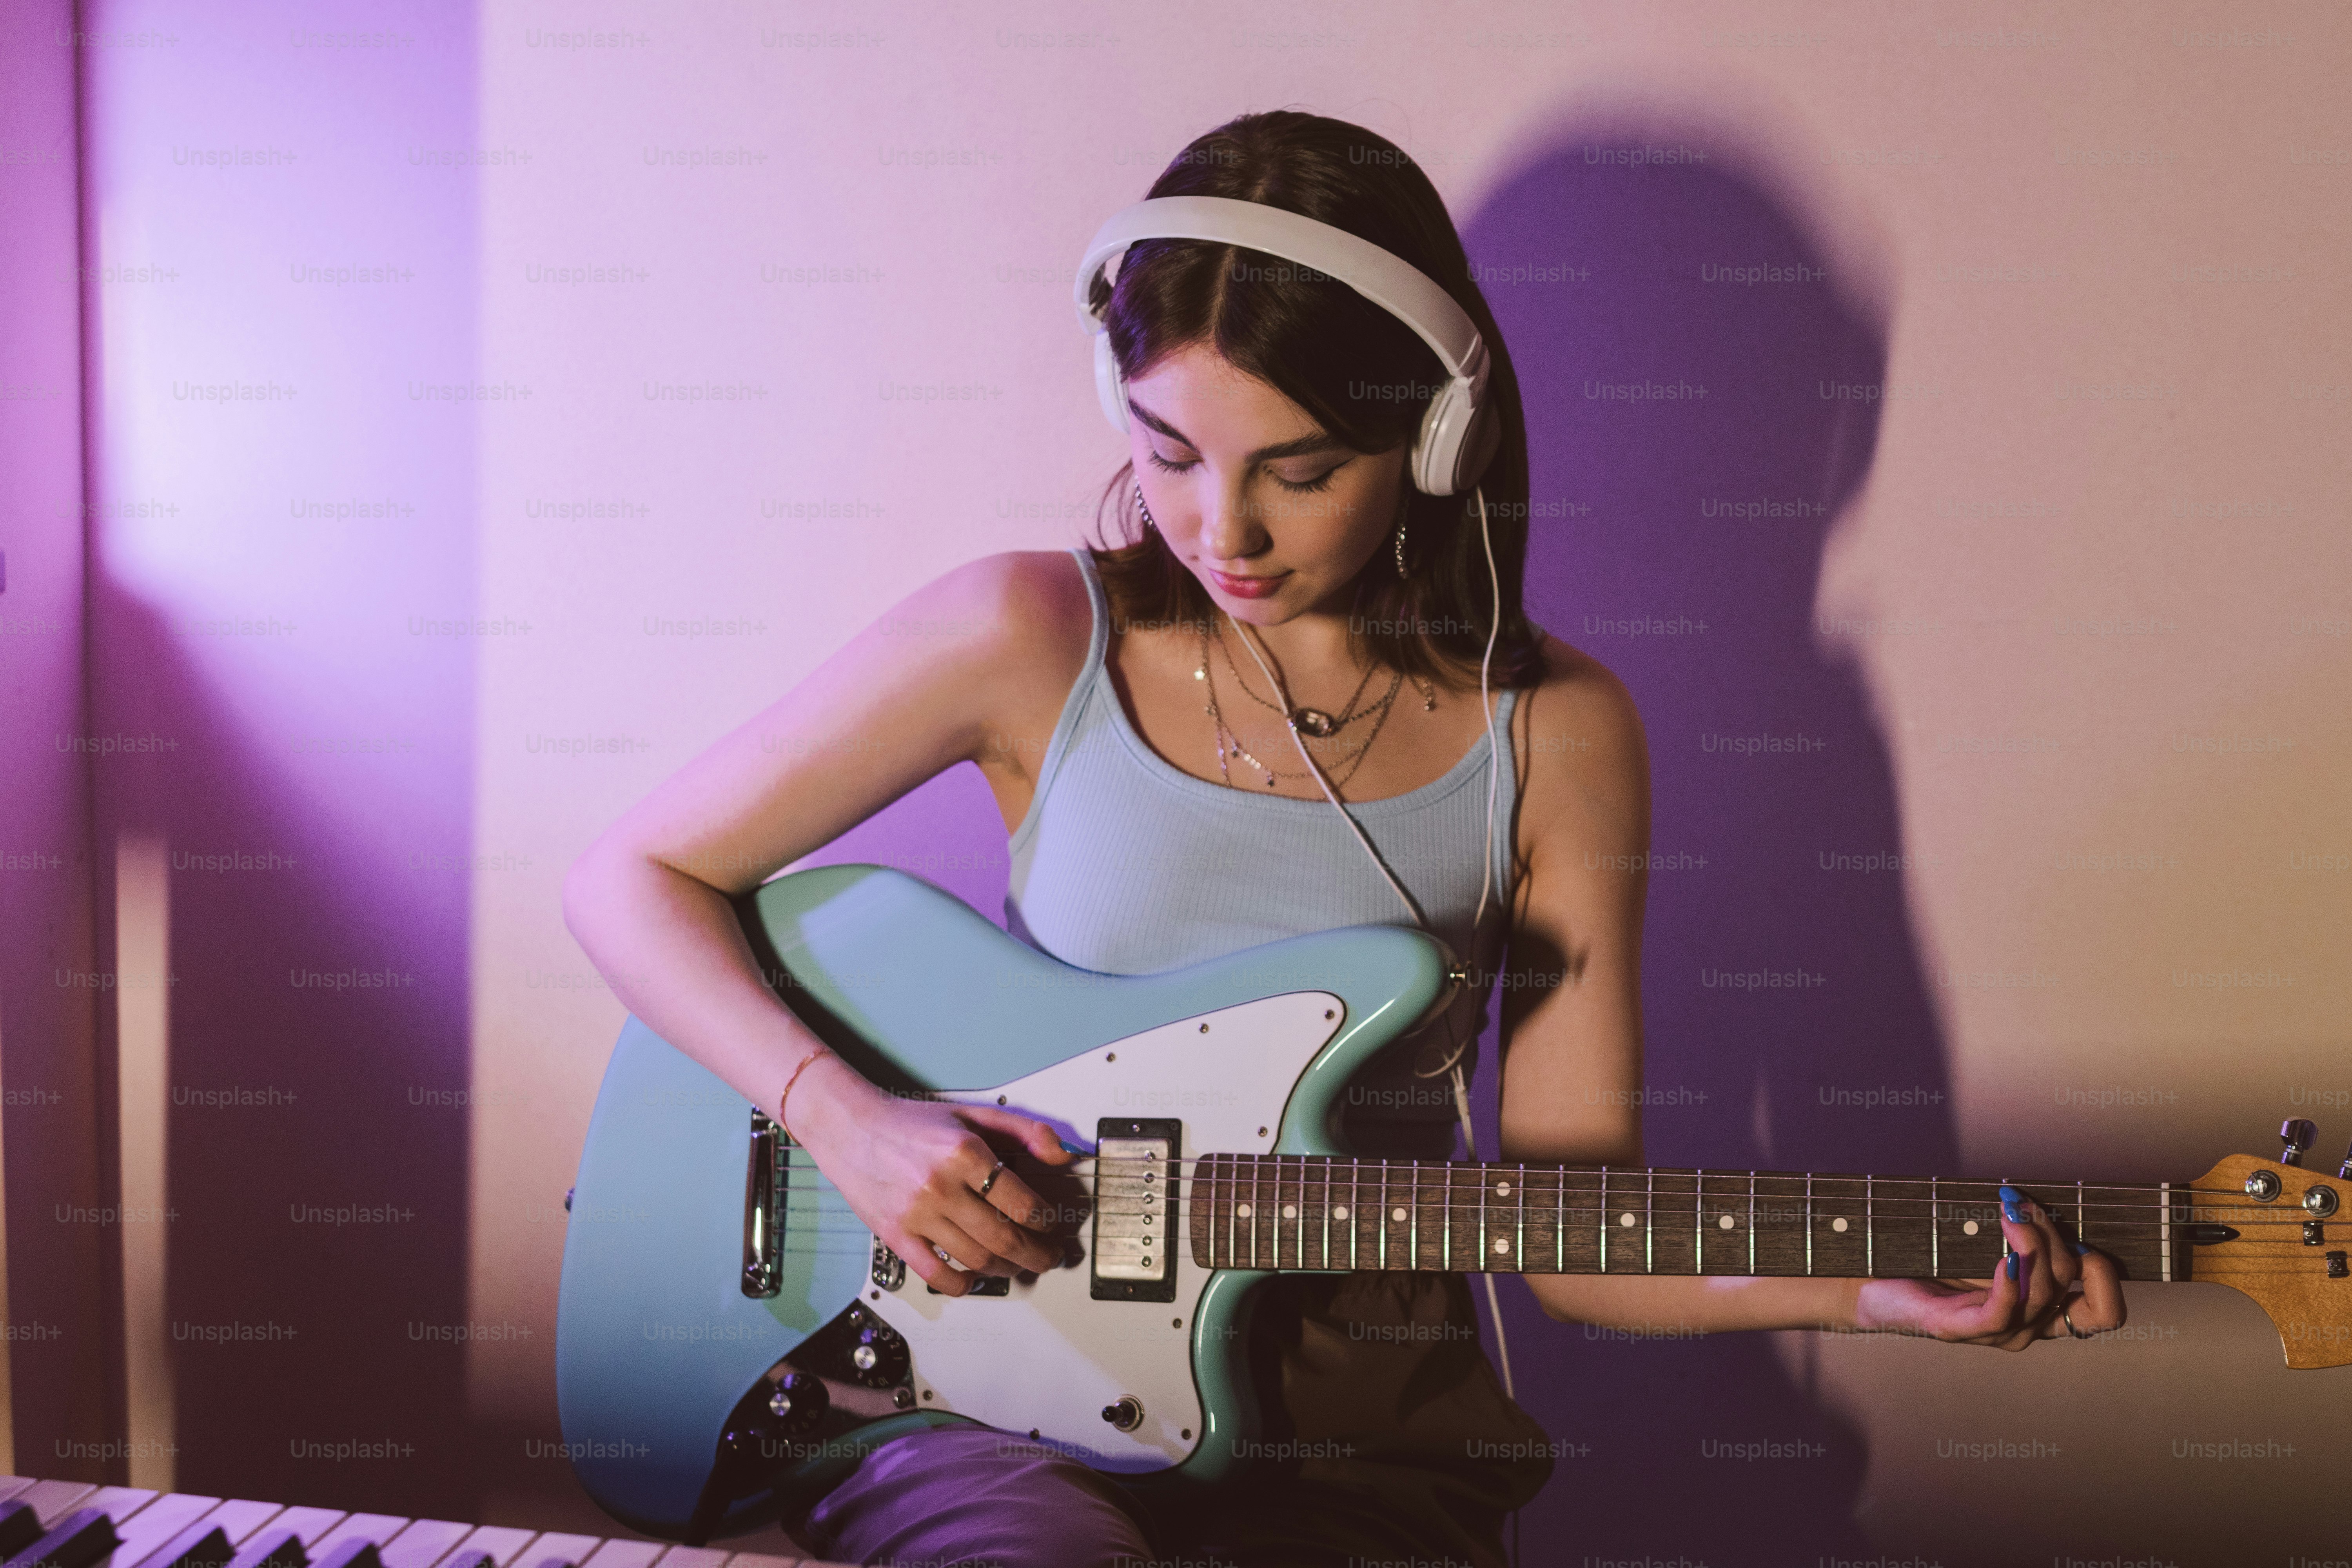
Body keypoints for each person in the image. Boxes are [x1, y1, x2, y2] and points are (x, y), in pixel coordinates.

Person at [562, 110, 2123, 1568]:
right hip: (985, 1395)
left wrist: (1866, 1293)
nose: (1220, 530)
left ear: (1438, 439)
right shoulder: (1025, 634)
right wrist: (847, 1125)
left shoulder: (1564, 733)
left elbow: (1576, 1232)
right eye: (1171, 452)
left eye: (1299, 470)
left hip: (1361, 1436)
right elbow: (629, 879)